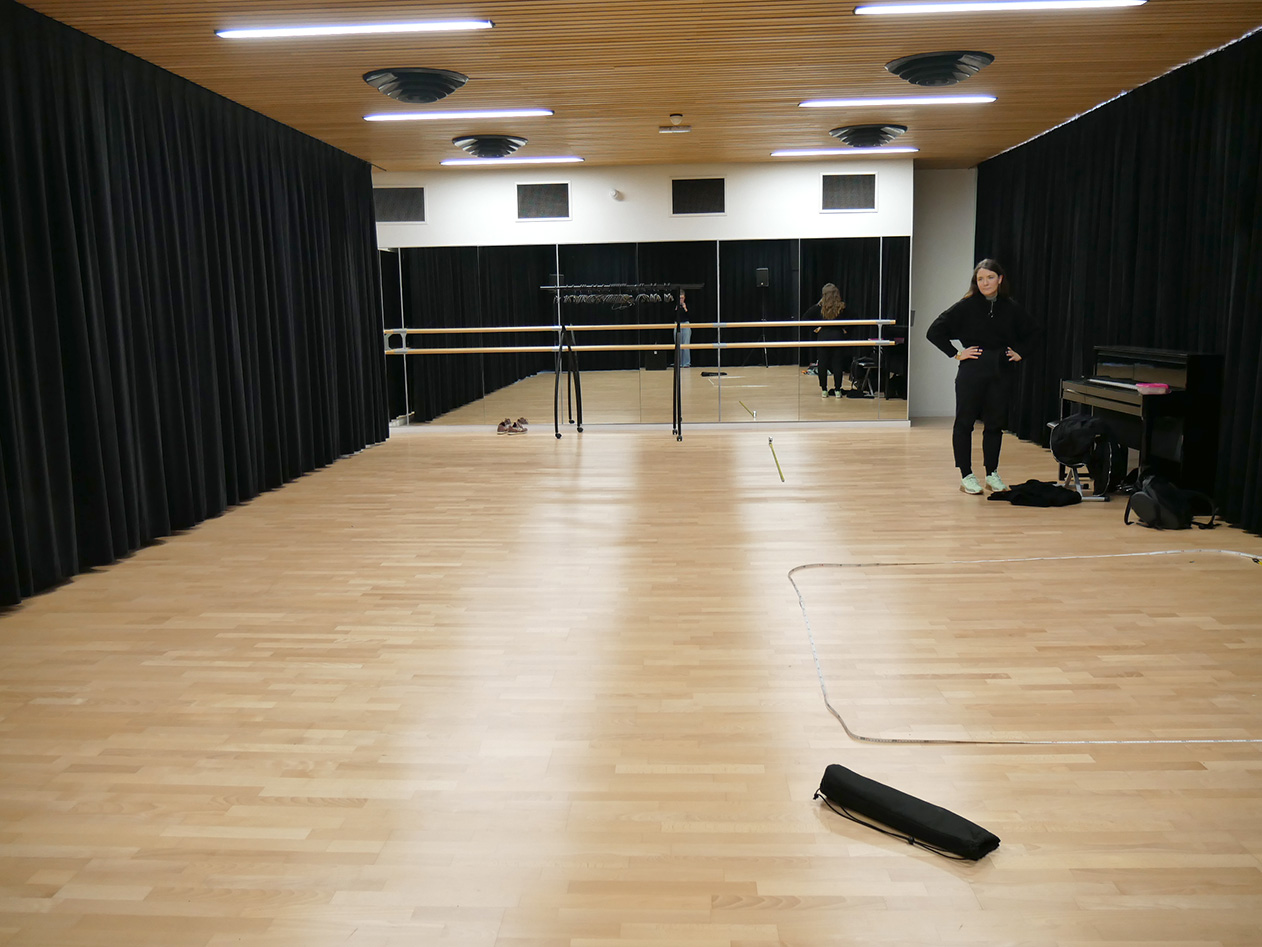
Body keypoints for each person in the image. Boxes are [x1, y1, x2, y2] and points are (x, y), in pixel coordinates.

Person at [926, 259, 1039, 495]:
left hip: (1001, 370)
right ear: (975, 282)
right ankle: (966, 475)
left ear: (1000, 279)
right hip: (972, 371)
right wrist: (957, 353)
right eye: (980, 279)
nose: (985, 283)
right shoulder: (965, 306)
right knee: (964, 422)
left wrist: (1021, 353)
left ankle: (992, 474)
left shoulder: (1011, 307)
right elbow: (934, 331)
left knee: (995, 424)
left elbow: (1034, 333)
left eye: (990, 277)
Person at [804, 283, 847, 397]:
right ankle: (837, 390)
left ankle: (824, 390)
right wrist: (845, 329)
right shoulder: (841, 307)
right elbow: (855, 318)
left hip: (823, 337)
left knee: (822, 364)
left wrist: (815, 328)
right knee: (837, 364)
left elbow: (805, 318)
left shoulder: (819, 307)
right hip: (838, 337)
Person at [674, 290, 691, 368]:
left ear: (684, 298)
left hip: (686, 323)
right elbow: (670, 316)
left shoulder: (687, 305)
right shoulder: (675, 306)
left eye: (682, 298)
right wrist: (676, 309)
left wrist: (685, 308)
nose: (681, 300)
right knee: (678, 344)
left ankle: (686, 363)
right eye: (679, 298)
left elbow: (691, 315)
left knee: (686, 344)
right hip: (677, 324)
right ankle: (679, 363)